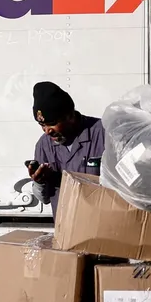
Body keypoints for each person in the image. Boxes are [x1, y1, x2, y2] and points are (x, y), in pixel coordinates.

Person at [25, 81, 106, 217]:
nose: (47, 131)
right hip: (65, 227)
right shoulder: (44, 145)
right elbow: (44, 198)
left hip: (101, 224)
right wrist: (39, 182)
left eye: (52, 123)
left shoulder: (103, 134)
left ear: (70, 116)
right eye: (42, 125)